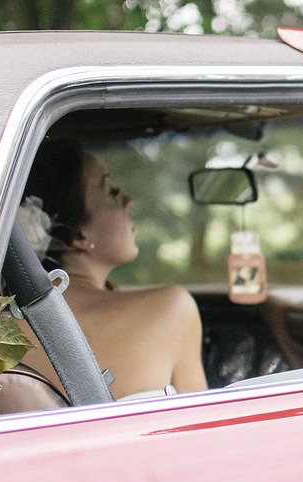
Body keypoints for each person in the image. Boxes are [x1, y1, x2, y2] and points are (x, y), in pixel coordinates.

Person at [14, 138, 208, 398]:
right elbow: (202, 430)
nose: (128, 201)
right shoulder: (172, 308)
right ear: (78, 235)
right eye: (111, 192)